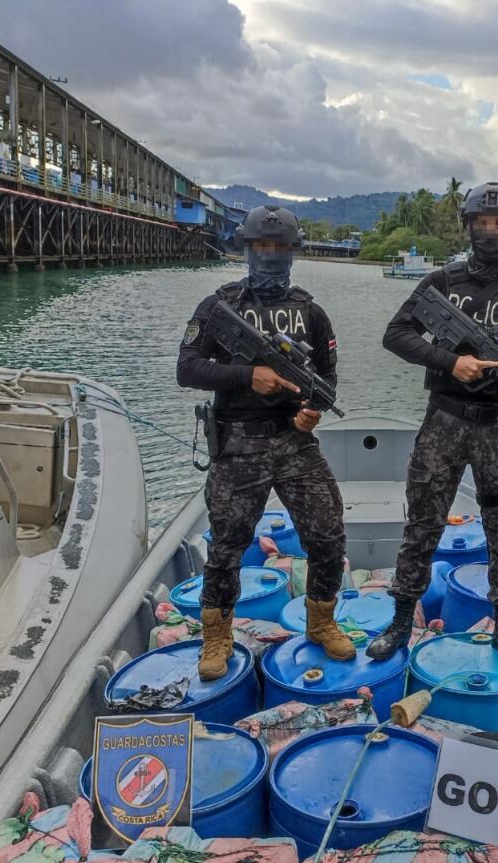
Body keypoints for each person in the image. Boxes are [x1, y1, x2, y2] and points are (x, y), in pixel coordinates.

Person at [367, 181, 498, 670]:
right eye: (482, 223)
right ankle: (400, 620)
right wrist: (451, 362)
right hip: (445, 419)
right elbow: (396, 334)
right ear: (469, 226)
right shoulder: (442, 283)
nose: (490, 232)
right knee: (422, 523)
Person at [176, 205, 356, 679]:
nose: (270, 255)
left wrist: (312, 412)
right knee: (227, 546)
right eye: (261, 246)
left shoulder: (311, 312)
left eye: (279, 247)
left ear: (292, 251)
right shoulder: (218, 307)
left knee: (327, 532)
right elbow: (187, 369)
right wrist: (247, 376)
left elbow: (327, 380)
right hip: (238, 443)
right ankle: (217, 634)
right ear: (247, 249)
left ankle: (321, 621)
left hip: (295, 442)